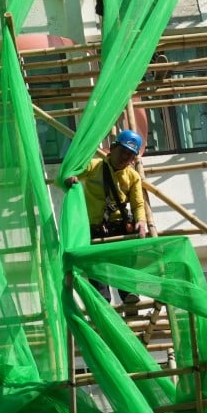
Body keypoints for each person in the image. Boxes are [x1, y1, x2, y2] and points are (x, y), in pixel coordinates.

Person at [64, 129, 149, 306]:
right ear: (113, 148)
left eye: (130, 155)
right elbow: (72, 173)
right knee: (96, 267)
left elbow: (138, 204)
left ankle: (129, 294)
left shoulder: (132, 177)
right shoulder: (94, 166)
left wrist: (141, 222)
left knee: (125, 260)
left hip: (118, 226)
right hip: (95, 227)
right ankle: (102, 301)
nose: (125, 158)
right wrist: (70, 178)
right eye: (123, 152)